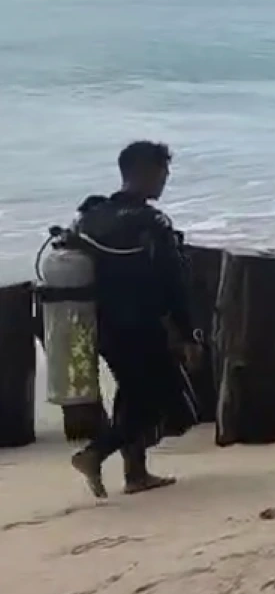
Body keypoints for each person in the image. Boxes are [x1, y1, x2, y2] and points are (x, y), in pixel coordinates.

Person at [67, 141, 200, 498]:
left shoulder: (92, 215)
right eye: (163, 172)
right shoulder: (152, 221)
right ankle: (95, 454)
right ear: (146, 172)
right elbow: (172, 282)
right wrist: (187, 334)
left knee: (133, 394)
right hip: (142, 325)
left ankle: (135, 474)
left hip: (101, 325)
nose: (165, 180)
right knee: (163, 402)